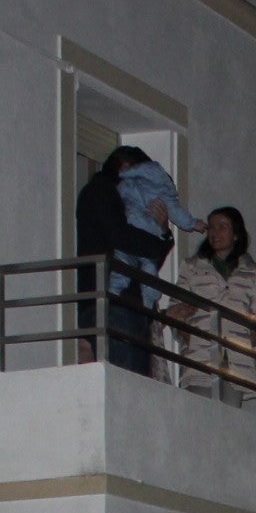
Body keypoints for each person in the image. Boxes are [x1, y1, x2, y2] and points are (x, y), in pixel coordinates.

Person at [73, 147, 174, 374]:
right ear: (126, 169)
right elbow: (120, 236)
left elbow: (143, 259)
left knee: (133, 379)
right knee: (127, 378)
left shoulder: (123, 201)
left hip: (126, 302)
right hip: (113, 302)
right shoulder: (101, 190)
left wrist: (162, 232)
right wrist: (158, 243)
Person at [164, 206, 256, 404]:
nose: (215, 232)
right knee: (202, 417)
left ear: (236, 234)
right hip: (201, 356)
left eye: (222, 227)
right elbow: (175, 307)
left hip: (236, 362)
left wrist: (254, 336)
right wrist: (184, 331)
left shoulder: (251, 270)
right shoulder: (192, 267)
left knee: (228, 424)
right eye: (211, 227)